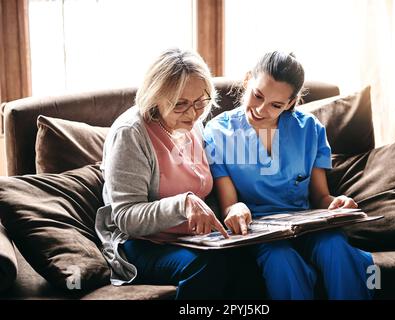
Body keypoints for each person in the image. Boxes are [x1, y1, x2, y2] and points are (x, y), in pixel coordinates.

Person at [203, 51, 374, 300]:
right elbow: (229, 206)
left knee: (336, 248)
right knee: (280, 260)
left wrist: (337, 204)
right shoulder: (217, 132)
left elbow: (321, 197)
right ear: (247, 80)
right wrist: (236, 208)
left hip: (307, 225)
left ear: (291, 103)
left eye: (276, 105)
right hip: (259, 230)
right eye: (257, 95)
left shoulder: (310, 129)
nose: (261, 110)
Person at [95, 48, 231, 300]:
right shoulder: (131, 133)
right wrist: (183, 204)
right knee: (206, 267)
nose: (193, 113)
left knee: (248, 260)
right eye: (180, 104)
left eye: (201, 102)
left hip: (191, 239)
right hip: (141, 243)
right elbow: (125, 216)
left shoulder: (194, 124)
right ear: (155, 97)